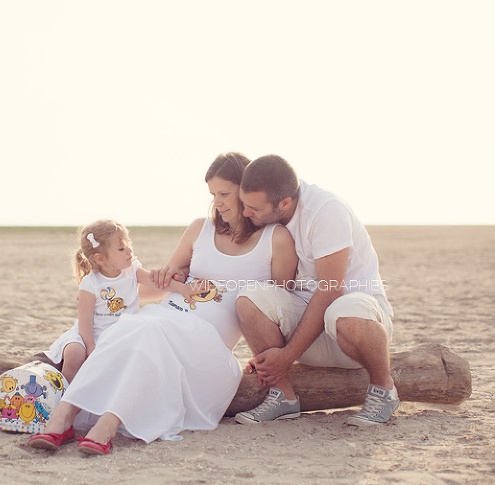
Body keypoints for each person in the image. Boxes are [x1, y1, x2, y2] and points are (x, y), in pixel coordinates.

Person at [29, 152, 298, 455]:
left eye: (225, 193)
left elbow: (277, 307)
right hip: (164, 319)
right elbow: (167, 278)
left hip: (207, 348)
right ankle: (64, 416)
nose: (218, 202)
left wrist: (264, 352)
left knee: (149, 327)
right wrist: (170, 273)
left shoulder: (276, 239)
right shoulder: (200, 228)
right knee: (135, 325)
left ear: (245, 190)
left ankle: (106, 424)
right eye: (213, 194)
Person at [234, 154, 396, 427]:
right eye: (244, 204)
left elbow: (331, 290)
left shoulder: (326, 211)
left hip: (353, 333)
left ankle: (384, 389)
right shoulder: (269, 213)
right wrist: (266, 350)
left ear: (284, 203)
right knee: (249, 298)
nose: (246, 213)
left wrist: (285, 357)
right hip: (309, 331)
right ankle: (283, 397)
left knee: (344, 312)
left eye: (254, 209)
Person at [43, 219, 198, 382]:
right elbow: (85, 319)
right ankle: (64, 393)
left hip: (118, 333)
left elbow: (155, 281)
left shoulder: (132, 270)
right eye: (121, 248)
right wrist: (90, 346)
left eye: (128, 243)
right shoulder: (91, 282)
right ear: (100, 259)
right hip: (89, 333)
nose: (129, 250)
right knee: (74, 354)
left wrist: (182, 288)